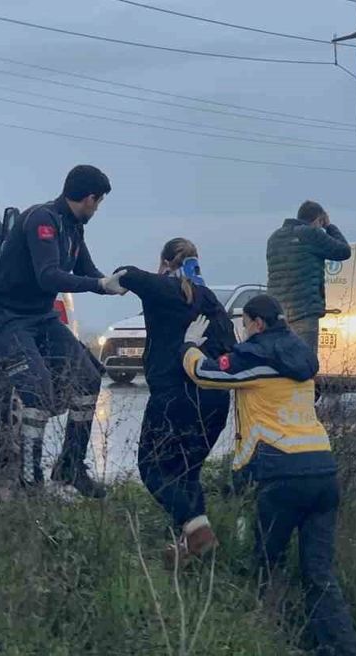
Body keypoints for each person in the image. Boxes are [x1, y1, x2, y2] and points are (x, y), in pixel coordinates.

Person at [181, 294, 356, 655]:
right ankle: (340, 649)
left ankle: (268, 641)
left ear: (258, 324)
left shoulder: (257, 358)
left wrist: (188, 346)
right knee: (319, 574)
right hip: (323, 471)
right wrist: (236, 346)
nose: (244, 330)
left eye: (245, 323)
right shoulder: (301, 357)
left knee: (264, 564)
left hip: (281, 474)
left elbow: (205, 374)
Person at [0, 165, 127, 498]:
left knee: (89, 378)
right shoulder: (42, 220)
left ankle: (70, 466)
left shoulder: (74, 227)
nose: (97, 209)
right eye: (99, 202)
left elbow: (87, 271)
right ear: (90, 198)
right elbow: (49, 276)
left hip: (41, 317)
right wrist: (98, 284)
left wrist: (119, 282)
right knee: (37, 389)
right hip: (8, 318)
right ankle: (30, 482)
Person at [113, 239, 237, 566]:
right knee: (186, 474)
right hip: (215, 401)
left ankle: (198, 530)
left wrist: (112, 282)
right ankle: (189, 553)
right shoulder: (210, 300)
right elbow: (231, 351)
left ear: (165, 262)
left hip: (173, 397)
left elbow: (129, 274)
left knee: (152, 469)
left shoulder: (166, 289)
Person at [266, 201, 352, 354]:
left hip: (277, 312)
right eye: (321, 223)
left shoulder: (274, 238)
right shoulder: (311, 234)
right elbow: (344, 251)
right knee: (305, 364)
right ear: (319, 220)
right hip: (304, 312)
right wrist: (329, 226)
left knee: (280, 362)